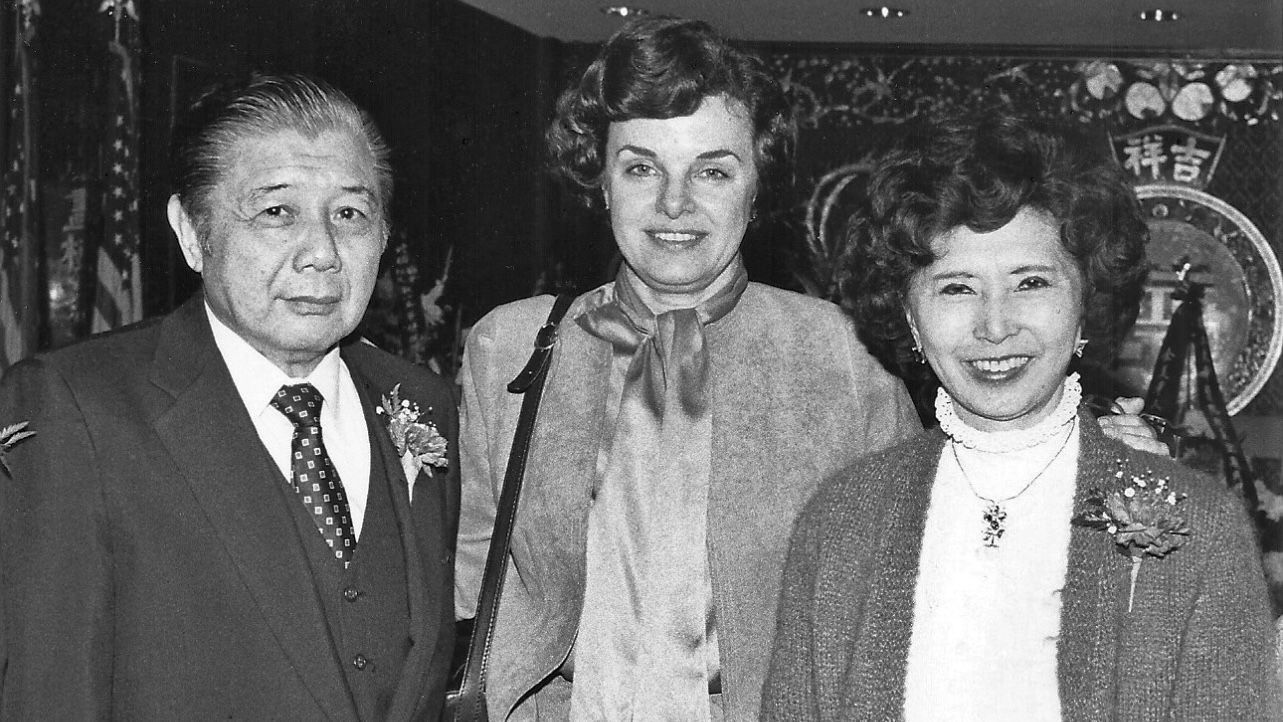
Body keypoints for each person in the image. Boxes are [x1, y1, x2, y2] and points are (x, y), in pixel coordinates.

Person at [454, 16, 922, 721]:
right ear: (599, 182)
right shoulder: (510, 347)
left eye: (711, 170)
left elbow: (899, 586)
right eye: (641, 167)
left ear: (757, 187)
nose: (675, 204)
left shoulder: (844, 355)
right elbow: (468, 569)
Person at [762, 111, 1280, 720]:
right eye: (957, 287)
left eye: (1031, 282)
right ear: (907, 314)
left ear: (1086, 302)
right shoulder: (843, 519)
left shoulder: (1199, 523)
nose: (995, 325)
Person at [0, 74, 459, 720]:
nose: (322, 253)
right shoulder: (77, 409)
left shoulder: (421, 403)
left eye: (350, 214)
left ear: (383, 236)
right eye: (277, 212)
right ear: (192, 232)